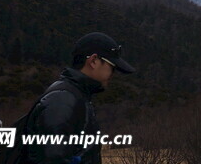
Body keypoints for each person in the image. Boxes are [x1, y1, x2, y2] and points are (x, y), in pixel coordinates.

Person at [22, 32, 135, 164]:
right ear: (93, 61)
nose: (112, 74)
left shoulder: (74, 97)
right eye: (112, 67)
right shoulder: (63, 102)